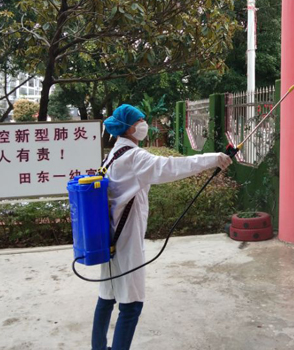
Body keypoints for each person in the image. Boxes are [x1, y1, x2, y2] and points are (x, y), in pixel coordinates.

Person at [91, 104, 232, 350]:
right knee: (132, 304)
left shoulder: (113, 154)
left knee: (107, 296)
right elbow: (169, 167)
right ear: (131, 128)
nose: (145, 124)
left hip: (109, 236)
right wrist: (213, 159)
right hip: (126, 239)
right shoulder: (134, 157)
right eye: (141, 121)